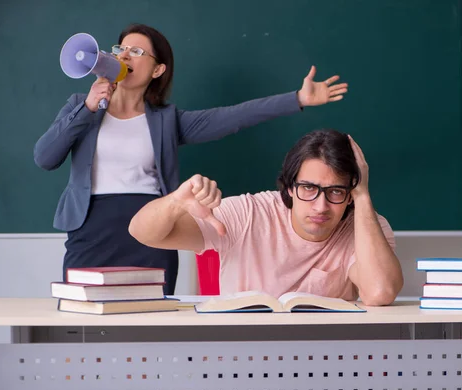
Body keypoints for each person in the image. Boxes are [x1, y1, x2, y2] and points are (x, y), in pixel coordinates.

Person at [34, 24, 348, 294]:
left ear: (158, 70)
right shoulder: (81, 107)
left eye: (138, 51)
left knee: (149, 326)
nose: (125, 55)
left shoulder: (167, 120)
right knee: (83, 321)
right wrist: (87, 109)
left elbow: (234, 116)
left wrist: (298, 99)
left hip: (152, 228)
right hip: (90, 228)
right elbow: (45, 158)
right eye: (121, 48)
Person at [129, 129, 403, 306]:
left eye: (336, 191)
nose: (321, 206)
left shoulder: (367, 227)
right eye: (309, 188)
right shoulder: (248, 213)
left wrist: (364, 197)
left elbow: (379, 292)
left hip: (326, 360)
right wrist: (176, 201)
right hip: (240, 358)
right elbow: (143, 232)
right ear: (290, 187)